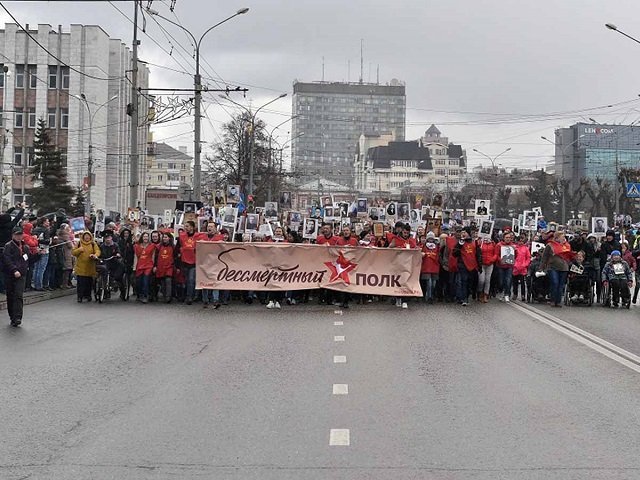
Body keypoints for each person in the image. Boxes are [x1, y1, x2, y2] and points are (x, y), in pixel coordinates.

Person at [539, 231, 574, 308]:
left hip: (564, 268)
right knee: (555, 283)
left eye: (564, 237)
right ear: (557, 237)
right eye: (562, 237)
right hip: (552, 267)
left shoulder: (567, 246)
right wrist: (541, 268)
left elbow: (569, 257)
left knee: (561, 285)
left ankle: (558, 301)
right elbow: (544, 257)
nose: (563, 238)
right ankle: (553, 300)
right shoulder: (550, 245)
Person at [3, 226, 29, 326]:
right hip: (10, 274)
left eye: (20, 234)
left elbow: (28, 260)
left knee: (18, 295)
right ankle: (12, 316)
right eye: (17, 235)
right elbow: (7, 259)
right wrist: (14, 270)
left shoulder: (25, 247)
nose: (19, 237)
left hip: (21, 275)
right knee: (10, 295)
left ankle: (18, 317)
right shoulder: (8, 246)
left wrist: (38, 255)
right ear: (13, 235)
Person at [452, 227, 481, 306]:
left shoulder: (474, 242)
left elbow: (478, 255)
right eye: (462, 232)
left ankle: (467, 295)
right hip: (463, 265)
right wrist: (459, 245)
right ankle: (464, 298)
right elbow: (454, 254)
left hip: (472, 265)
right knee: (464, 281)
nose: (463, 234)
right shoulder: (460, 242)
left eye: (465, 232)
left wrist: (479, 266)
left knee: (469, 282)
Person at [72, 231, 100, 303]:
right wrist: (79, 250)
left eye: (88, 236)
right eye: (85, 236)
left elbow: (98, 251)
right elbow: (73, 252)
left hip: (90, 266)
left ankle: (88, 296)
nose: (87, 237)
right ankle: (80, 297)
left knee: (89, 283)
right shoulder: (79, 243)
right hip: (80, 267)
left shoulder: (93, 244)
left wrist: (95, 255)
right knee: (80, 283)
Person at [176, 220, 198, 304]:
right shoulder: (181, 236)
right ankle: (184, 296)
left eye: (187, 226)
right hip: (184, 261)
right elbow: (178, 247)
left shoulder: (198, 236)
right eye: (185, 226)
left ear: (192, 227)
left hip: (193, 262)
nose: (185, 228)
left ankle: (190, 297)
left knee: (191, 280)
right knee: (185, 280)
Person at [494, 231, 516, 302]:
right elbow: (496, 255)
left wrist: (516, 251)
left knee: (508, 280)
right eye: (506, 237)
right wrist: (501, 260)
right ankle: (501, 291)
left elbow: (515, 256)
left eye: (509, 237)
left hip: (509, 266)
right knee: (500, 281)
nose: (508, 239)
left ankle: (506, 294)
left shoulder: (513, 246)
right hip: (500, 266)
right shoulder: (499, 245)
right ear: (503, 238)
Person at [134, 232, 155, 304]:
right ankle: (139, 294)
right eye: (144, 237)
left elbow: (153, 256)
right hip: (140, 265)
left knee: (145, 280)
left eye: (147, 237)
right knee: (139, 281)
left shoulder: (152, 246)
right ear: (142, 238)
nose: (145, 238)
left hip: (148, 265)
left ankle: (145, 296)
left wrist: (153, 265)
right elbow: (136, 257)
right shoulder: (137, 246)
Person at [155, 233, 176, 303]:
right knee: (162, 282)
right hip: (161, 266)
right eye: (163, 237)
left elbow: (175, 257)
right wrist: (155, 266)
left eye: (166, 237)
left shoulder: (173, 247)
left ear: (169, 238)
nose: (164, 238)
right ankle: (164, 295)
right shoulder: (159, 247)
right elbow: (156, 257)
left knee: (168, 280)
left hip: (169, 266)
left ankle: (168, 297)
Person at [420, 232, 439, 304]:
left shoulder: (436, 246)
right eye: (429, 238)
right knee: (429, 283)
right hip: (427, 266)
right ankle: (429, 297)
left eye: (432, 238)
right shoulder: (424, 246)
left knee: (434, 283)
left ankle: (431, 295)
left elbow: (438, 256)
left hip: (435, 267)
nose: (431, 239)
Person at [477, 236, 497, 303]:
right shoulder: (481, 243)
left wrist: (492, 260)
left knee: (487, 280)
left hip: (490, 264)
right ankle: (480, 292)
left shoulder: (493, 244)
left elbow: (496, 254)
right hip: (482, 264)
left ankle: (486, 294)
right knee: (481, 280)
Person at [512, 234, 532, 302]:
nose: (521, 242)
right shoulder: (514, 248)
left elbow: (528, 258)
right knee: (515, 282)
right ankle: (515, 293)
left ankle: (523, 295)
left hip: (522, 268)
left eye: (522, 241)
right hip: (515, 267)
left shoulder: (526, 248)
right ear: (517, 241)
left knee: (523, 283)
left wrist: (525, 264)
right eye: (519, 241)